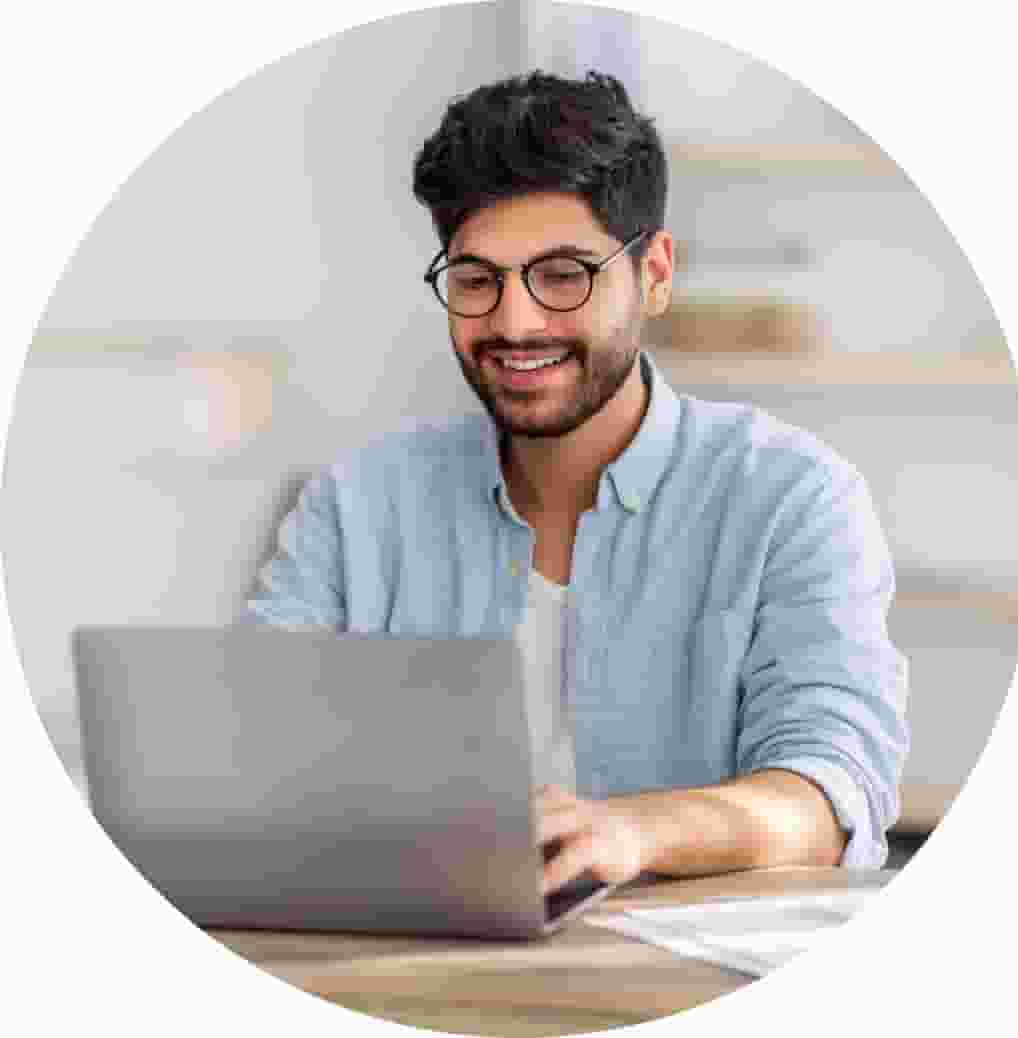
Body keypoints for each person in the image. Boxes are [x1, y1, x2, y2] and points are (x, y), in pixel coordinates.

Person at [246, 71, 909, 893]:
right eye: (476, 279)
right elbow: (258, 758)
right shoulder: (357, 505)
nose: (516, 322)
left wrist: (635, 830)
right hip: (414, 971)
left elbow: (831, 795)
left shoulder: (793, 497)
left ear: (655, 273)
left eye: (564, 275)